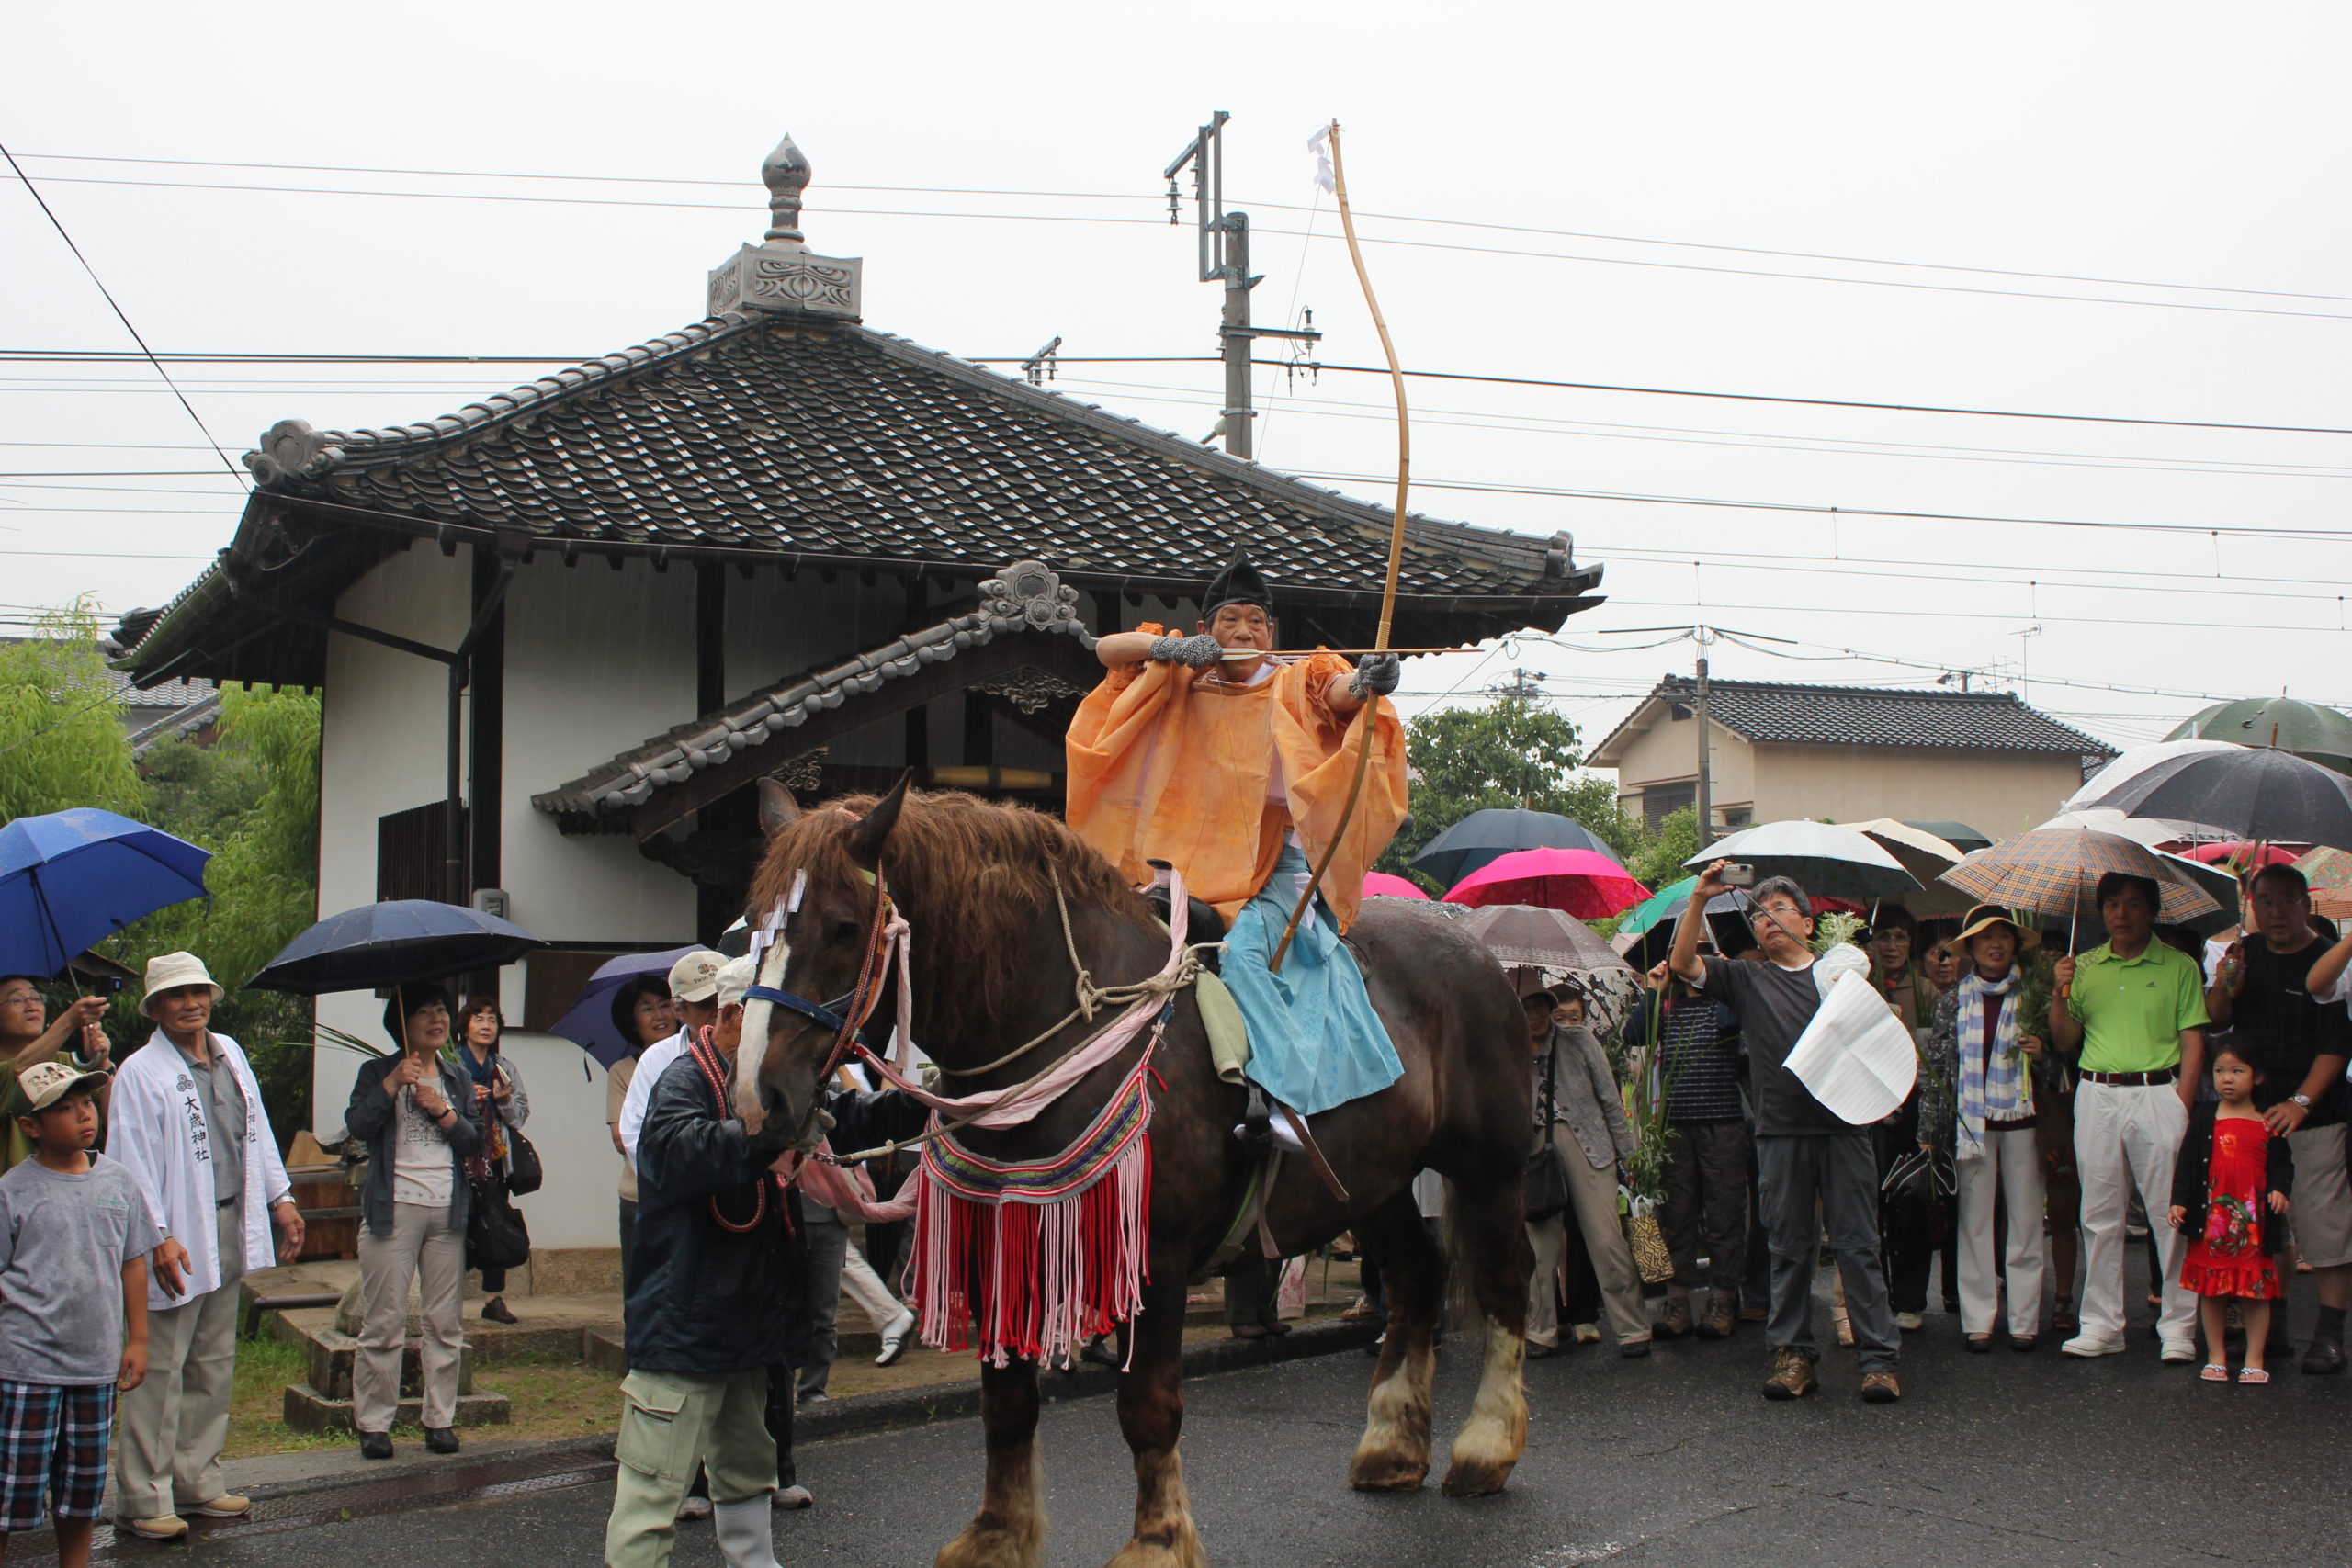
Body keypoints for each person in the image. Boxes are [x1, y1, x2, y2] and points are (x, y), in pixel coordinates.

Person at [1066, 548, 1407, 1123]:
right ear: (1205, 629)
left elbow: (1340, 692)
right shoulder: (1179, 673)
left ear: (1271, 634)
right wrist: (1167, 649)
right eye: (1230, 620)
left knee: (1243, 959)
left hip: (1270, 863)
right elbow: (1105, 650)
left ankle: (1280, 1098)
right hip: (1174, 865)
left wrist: (1366, 680)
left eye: (1255, 621)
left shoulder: (1296, 682)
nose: (1243, 631)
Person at [605, 954, 920, 1568]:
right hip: (683, 1327)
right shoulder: (683, 1078)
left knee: (749, 1466)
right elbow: (672, 1152)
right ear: (731, 1018)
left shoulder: (773, 1078)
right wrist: (770, 1134)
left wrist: (924, 1100)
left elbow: (849, 1120)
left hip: (747, 1323)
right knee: (653, 1486)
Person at [1669, 864, 1903, 1404]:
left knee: (1857, 1246)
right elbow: (1682, 964)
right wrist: (1701, 899)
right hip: (1779, 1134)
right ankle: (1794, 1356)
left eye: (1779, 909)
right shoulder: (1748, 979)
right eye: (1758, 915)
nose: (1768, 920)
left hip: (1844, 1128)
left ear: (1806, 919)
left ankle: (1879, 1361)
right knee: (1790, 1248)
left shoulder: (1841, 977)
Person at [107, 952, 299, 1542]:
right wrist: (156, 1236)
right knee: (161, 1363)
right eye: (176, 995)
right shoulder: (141, 1072)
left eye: (198, 992)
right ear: (157, 1007)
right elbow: (130, 1161)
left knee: (214, 1359)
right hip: (177, 1235)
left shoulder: (230, 1053)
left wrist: (281, 1197)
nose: (190, 1003)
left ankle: (197, 1478)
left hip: (231, 1220)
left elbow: (258, 1128)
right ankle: (144, 1494)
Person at [0, 1062, 155, 1568]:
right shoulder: (12, 1190)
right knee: (12, 1489)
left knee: (82, 1487)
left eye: (86, 1103)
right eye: (62, 1109)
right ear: (31, 1127)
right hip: (25, 1367)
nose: (82, 1116)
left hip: (94, 1364)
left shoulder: (119, 1181)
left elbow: (133, 1262)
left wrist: (138, 1340)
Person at [2049, 874, 2208, 1362]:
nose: (2122, 914)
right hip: (2097, 1091)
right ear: (2101, 912)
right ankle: (2102, 1323)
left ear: (2152, 911)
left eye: (2134, 905)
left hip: (2159, 1090)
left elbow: (2193, 1038)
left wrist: (2182, 1101)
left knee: (2171, 1213)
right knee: (2098, 1213)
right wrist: (2060, 991)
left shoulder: (2179, 966)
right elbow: (2063, 1039)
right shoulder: (2085, 966)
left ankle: (2179, 1326)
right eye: (2113, 905)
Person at [2206, 864, 2352, 1372]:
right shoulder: (2247, 955)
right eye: (2264, 901)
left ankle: (2330, 1335)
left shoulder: (2325, 961)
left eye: (2286, 901)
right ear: (2252, 905)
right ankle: (2278, 1325)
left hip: (2315, 1116)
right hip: (2252, 1120)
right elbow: (2220, 1021)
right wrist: (2227, 982)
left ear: (2306, 905)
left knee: (2324, 1225)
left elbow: (2335, 1047)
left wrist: (2301, 1103)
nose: (2275, 912)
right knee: (2268, 1228)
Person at [343, 986, 482, 1459]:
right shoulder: (377, 1071)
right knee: (384, 1321)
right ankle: (374, 1423)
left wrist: (442, 1111)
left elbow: (473, 1141)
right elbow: (357, 1126)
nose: (436, 1018)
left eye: (441, 1010)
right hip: (394, 1209)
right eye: (424, 1011)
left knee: (444, 1322)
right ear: (402, 1025)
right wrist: (390, 1086)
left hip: (447, 1211)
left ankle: (440, 1419)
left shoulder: (457, 1077)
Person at [1921, 907, 2049, 1352]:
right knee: (1974, 1221)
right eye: (1984, 937)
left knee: (2027, 1217)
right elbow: (1938, 1066)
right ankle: (1978, 1319)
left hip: (2023, 1120)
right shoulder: (1953, 1000)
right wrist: (1930, 1128)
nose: (1995, 944)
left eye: (2003, 936)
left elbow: (2059, 1062)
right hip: (1971, 1123)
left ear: (2015, 945)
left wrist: (2042, 1051)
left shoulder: (2034, 997)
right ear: (1971, 947)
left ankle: (2025, 1320)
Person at [1524, 985, 1651, 1359]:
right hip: (1531, 1149)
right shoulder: (1506, 1046)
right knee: (1538, 1249)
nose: (1533, 1015)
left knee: (1605, 1238)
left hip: (1588, 1144)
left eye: (1539, 1006)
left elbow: (1610, 1098)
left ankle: (1632, 1328)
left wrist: (1627, 1156)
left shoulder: (1578, 1040)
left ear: (1550, 1009)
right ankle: (1540, 1330)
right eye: (1525, 1007)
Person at [1629, 957, 1748, 1341]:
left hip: (1723, 1123)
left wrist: (1724, 977)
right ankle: (1676, 1300)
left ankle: (1723, 1299)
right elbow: (1633, 1034)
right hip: (1675, 1125)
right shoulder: (1667, 1009)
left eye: (1699, 954)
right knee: (1676, 1214)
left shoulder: (1725, 1005)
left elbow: (1734, 1021)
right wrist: (1653, 988)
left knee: (1724, 1213)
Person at [2167, 1043, 2293, 1384]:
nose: (2228, 1079)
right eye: (2220, 1071)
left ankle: (2255, 1357)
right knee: (2212, 1290)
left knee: (2256, 1292)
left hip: (2254, 1223)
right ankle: (2216, 1355)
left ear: (2258, 1077)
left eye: (2238, 1071)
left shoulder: (2268, 1119)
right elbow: (2189, 1162)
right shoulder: (2206, 1115)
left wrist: (2280, 1190)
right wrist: (2179, 1200)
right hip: (2212, 1222)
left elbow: (2283, 1161)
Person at [1866, 908, 1943, 1331]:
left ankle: (1911, 1299)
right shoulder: (1857, 986)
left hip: (1913, 1106)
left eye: (1900, 937)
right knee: (1869, 1204)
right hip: (1867, 1106)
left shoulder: (1928, 992)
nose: (1891, 946)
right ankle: (1874, 1296)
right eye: (1883, 937)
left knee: (1910, 1202)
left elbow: (1935, 1054)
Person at [455, 996, 529, 1325]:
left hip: (495, 1159)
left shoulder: (505, 1068)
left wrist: (505, 1099)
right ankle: (447, 1299)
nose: (486, 1026)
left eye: (492, 1020)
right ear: (465, 1026)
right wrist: (467, 1098)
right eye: (479, 1019)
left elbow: (520, 1116)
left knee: (496, 1224)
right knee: (455, 1227)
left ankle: (493, 1298)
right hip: (457, 1159)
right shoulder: (451, 1064)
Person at [607, 976, 677, 1296]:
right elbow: (622, 1138)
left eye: (665, 1004)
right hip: (640, 1195)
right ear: (632, 1021)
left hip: (694, 1196)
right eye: (647, 1008)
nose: (659, 1015)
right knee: (643, 1291)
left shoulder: (699, 1058)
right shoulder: (623, 1070)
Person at [0, 977, 111, 1175]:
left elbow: (114, 1116)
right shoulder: (7, 1071)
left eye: (36, 997)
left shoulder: (62, 1064)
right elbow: (21, 1071)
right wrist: (70, 1020)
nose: (31, 1006)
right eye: (17, 1000)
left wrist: (102, 1061)